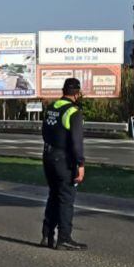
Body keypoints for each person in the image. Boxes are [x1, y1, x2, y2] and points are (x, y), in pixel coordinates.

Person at [40, 77, 87, 251]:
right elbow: (76, 142)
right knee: (66, 198)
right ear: (77, 93)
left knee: (53, 195)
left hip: (47, 156)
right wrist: (80, 164)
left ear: (63, 91)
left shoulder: (52, 107)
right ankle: (64, 238)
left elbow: (44, 132)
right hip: (63, 159)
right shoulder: (73, 111)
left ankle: (47, 235)